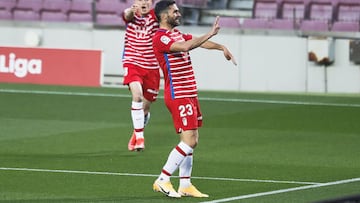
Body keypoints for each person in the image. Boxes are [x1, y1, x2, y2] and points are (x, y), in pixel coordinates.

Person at [151, 0, 237, 198]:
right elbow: (186, 47)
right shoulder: (160, 38)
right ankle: (162, 179)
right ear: (164, 16)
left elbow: (198, 41)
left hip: (189, 93)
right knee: (189, 141)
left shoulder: (176, 33)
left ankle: (185, 185)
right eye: (175, 11)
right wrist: (211, 33)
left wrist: (220, 46)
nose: (179, 14)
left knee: (192, 140)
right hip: (178, 94)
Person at [122, 0, 160, 151]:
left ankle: (136, 132)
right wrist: (132, 10)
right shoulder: (130, 14)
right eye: (140, 0)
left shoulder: (157, 16)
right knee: (136, 96)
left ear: (152, 3)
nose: (143, 2)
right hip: (132, 63)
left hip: (151, 67)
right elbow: (127, 15)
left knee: (145, 109)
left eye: (147, 0)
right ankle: (140, 137)